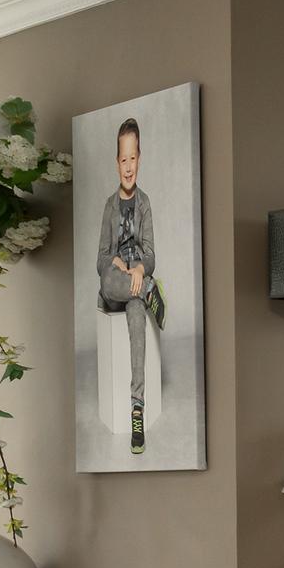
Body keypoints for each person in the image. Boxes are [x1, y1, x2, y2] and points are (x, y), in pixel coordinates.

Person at [94, 117, 167, 455]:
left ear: (140, 159)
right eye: (123, 159)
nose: (128, 166)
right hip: (114, 283)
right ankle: (149, 290)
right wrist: (118, 264)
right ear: (116, 162)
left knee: (137, 313)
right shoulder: (109, 206)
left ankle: (137, 408)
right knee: (110, 281)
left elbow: (150, 254)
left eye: (133, 158)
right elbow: (100, 259)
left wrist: (139, 268)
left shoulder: (145, 203)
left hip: (135, 283)